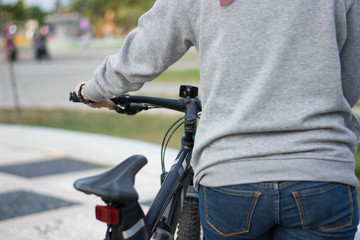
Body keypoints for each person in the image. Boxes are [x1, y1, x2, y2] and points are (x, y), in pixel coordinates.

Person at [74, 0, 360, 239]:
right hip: (321, 171)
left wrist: (92, 90)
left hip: (231, 178)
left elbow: (145, 49)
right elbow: (350, 74)